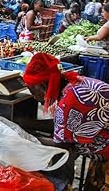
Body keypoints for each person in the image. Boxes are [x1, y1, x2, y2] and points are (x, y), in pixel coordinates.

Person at [20, 53, 109, 190]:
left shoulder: (70, 101)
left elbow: (62, 144)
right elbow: (62, 125)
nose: (33, 97)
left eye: (32, 90)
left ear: (42, 85)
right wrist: (24, 123)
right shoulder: (75, 83)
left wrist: (23, 137)